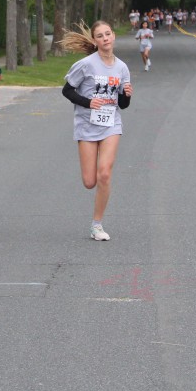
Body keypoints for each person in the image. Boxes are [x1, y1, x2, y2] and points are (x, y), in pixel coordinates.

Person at [60, 21, 133, 241]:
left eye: (108, 34)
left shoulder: (122, 68)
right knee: (89, 181)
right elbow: (67, 90)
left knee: (104, 174)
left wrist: (126, 94)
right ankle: (96, 221)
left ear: (114, 36)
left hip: (111, 124)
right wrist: (88, 102)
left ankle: (97, 225)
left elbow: (123, 104)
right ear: (95, 40)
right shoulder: (85, 65)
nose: (105, 38)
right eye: (100, 36)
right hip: (87, 124)